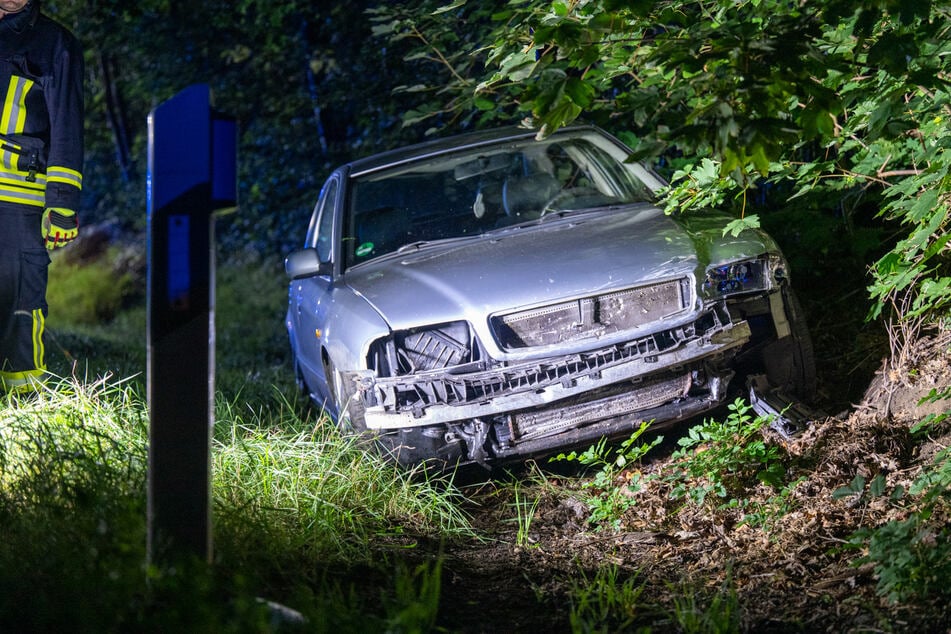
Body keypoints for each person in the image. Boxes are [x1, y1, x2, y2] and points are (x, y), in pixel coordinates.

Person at [0, 0, 83, 394]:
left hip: (17, 198)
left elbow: (67, 127)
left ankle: (22, 403)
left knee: (20, 301)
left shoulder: (55, 44)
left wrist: (62, 203)